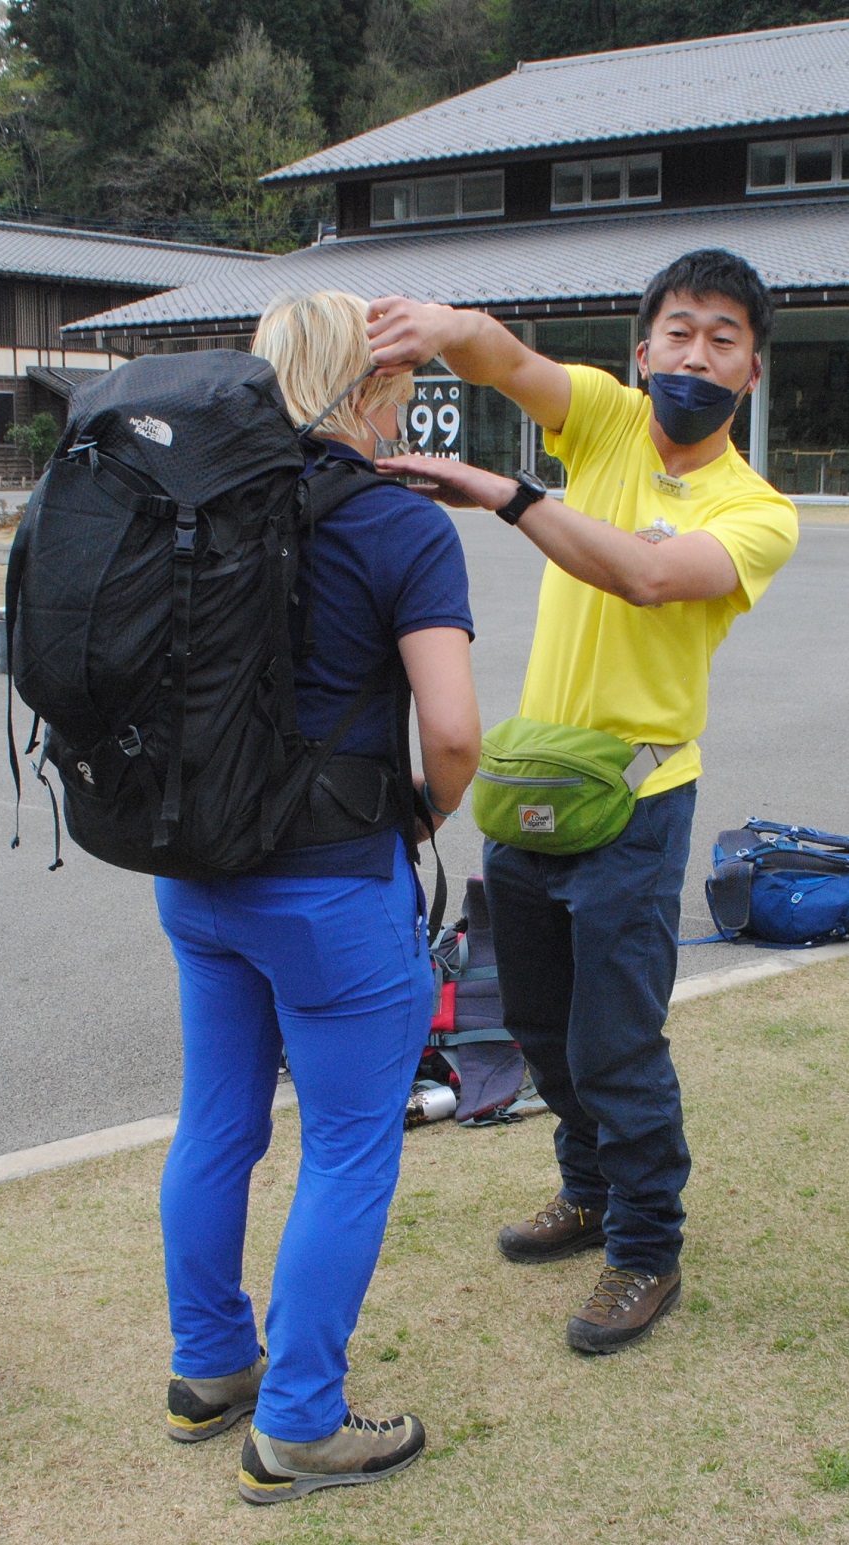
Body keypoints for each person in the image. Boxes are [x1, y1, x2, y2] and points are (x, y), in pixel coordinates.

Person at [366, 249, 798, 1356]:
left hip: (638, 800)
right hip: (532, 785)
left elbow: (648, 576)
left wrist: (506, 496)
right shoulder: (602, 420)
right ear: (640, 349)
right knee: (544, 1034)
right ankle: (587, 1189)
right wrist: (439, 322)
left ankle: (646, 1247)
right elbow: (503, 357)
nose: (695, 354)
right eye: (678, 331)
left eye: (722, 338)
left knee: (616, 1043)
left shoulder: (756, 511)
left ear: (750, 370)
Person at [154, 290, 480, 1504]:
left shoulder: (197, 505)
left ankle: (209, 1367)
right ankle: (298, 1424)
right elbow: (451, 734)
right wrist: (417, 817)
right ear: (376, 386)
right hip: (333, 887)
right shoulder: (397, 526)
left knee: (218, 1123)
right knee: (347, 1148)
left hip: (196, 876)